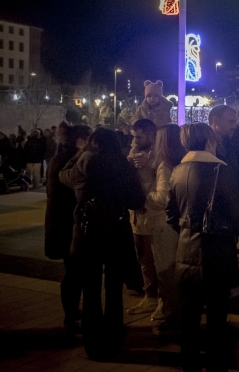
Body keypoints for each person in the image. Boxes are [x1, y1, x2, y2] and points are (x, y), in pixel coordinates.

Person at [167, 122, 239, 372]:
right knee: (216, 317)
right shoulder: (220, 171)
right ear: (209, 141)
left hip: (186, 250)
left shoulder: (177, 171)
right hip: (217, 252)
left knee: (189, 317)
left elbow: (171, 216)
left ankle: (190, 366)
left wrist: (189, 233)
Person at [59, 128, 145, 359]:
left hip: (88, 232)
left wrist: (81, 154)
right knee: (114, 287)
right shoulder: (122, 165)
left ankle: (93, 342)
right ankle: (114, 333)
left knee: (90, 288)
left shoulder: (83, 165)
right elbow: (136, 199)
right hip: (116, 230)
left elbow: (62, 175)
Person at [44, 125, 93, 334]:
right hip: (67, 225)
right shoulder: (72, 159)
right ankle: (71, 316)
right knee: (74, 273)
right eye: (90, 138)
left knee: (74, 272)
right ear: (81, 139)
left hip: (62, 224)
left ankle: (73, 314)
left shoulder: (61, 157)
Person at [144, 124, 186, 334]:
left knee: (166, 273)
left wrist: (145, 194)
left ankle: (171, 320)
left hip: (163, 223)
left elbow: (163, 198)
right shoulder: (183, 161)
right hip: (180, 223)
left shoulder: (165, 166)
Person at [126, 119, 162, 318]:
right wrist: (128, 165)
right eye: (133, 136)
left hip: (155, 217)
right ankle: (150, 297)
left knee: (159, 261)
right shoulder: (134, 152)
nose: (135, 140)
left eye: (139, 136)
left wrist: (151, 165)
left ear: (151, 135)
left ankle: (163, 301)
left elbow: (164, 185)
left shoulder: (160, 154)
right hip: (137, 216)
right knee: (144, 260)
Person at [208, 105, 239, 192]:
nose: (234, 127)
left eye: (235, 123)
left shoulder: (234, 146)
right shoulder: (204, 149)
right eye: (231, 122)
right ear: (216, 121)